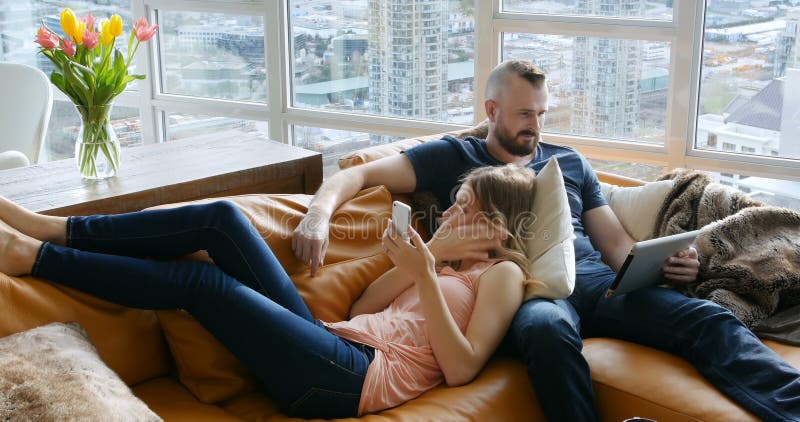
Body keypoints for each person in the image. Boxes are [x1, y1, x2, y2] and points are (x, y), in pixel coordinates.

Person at [292, 59, 800, 421]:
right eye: (523, 114)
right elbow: (356, 176)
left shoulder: (570, 162)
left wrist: (667, 265)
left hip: (598, 282)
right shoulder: (454, 156)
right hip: (524, 291)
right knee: (547, 333)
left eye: (541, 113)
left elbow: (615, 244)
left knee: (707, 319)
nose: (535, 126)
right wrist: (317, 213)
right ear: (491, 109)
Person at [0, 164, 542, 418]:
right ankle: (55, 228)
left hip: (352, 382)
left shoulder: (502, 276)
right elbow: (361, 309)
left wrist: (427, 273)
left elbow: (463, 367)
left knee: (202, 283)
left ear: (496, 229)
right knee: (221, 220)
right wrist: (418, 262)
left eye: (464, 207)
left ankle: (37, 257)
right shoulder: (442, 263)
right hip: (333, 342)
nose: (449, 212)